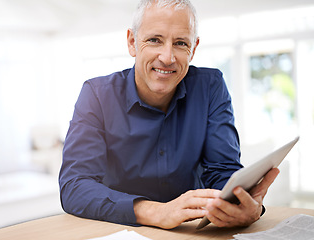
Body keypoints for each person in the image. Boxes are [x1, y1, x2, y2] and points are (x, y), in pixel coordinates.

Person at [59, 0, 279, 230]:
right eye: (155, 40)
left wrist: (241, 202)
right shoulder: (96, 94)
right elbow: (74, 186)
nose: (167, 57)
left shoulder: (210, 87)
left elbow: (222, 171)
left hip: (190, 231)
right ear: (133, 42)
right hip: (118, 229)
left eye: (181, 43)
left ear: (193, 49)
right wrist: (155, 211)